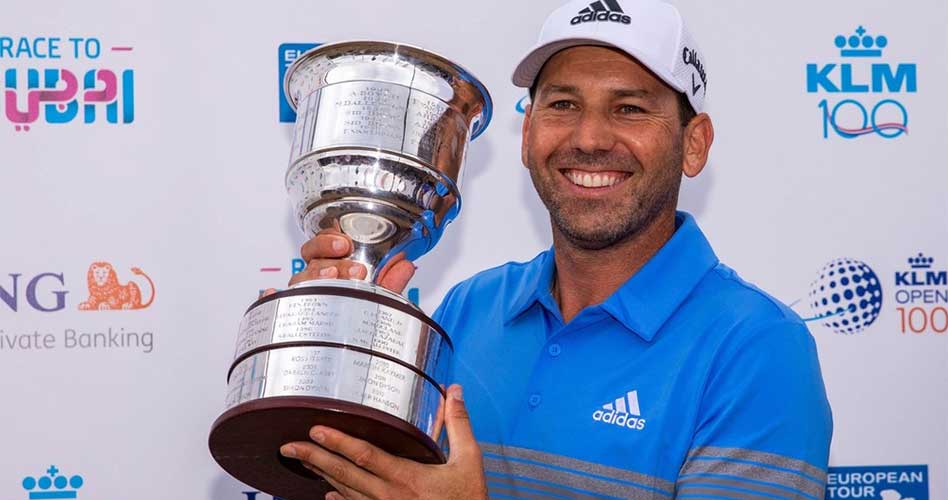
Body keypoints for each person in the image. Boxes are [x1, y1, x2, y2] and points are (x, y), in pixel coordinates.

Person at [277, 0, 833, 498]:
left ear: (694, 144)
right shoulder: (469, 308)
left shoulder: (759, 349)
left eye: (630, 109)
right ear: (525, 137)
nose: (589, 139)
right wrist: (339, 345)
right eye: (563, 104)